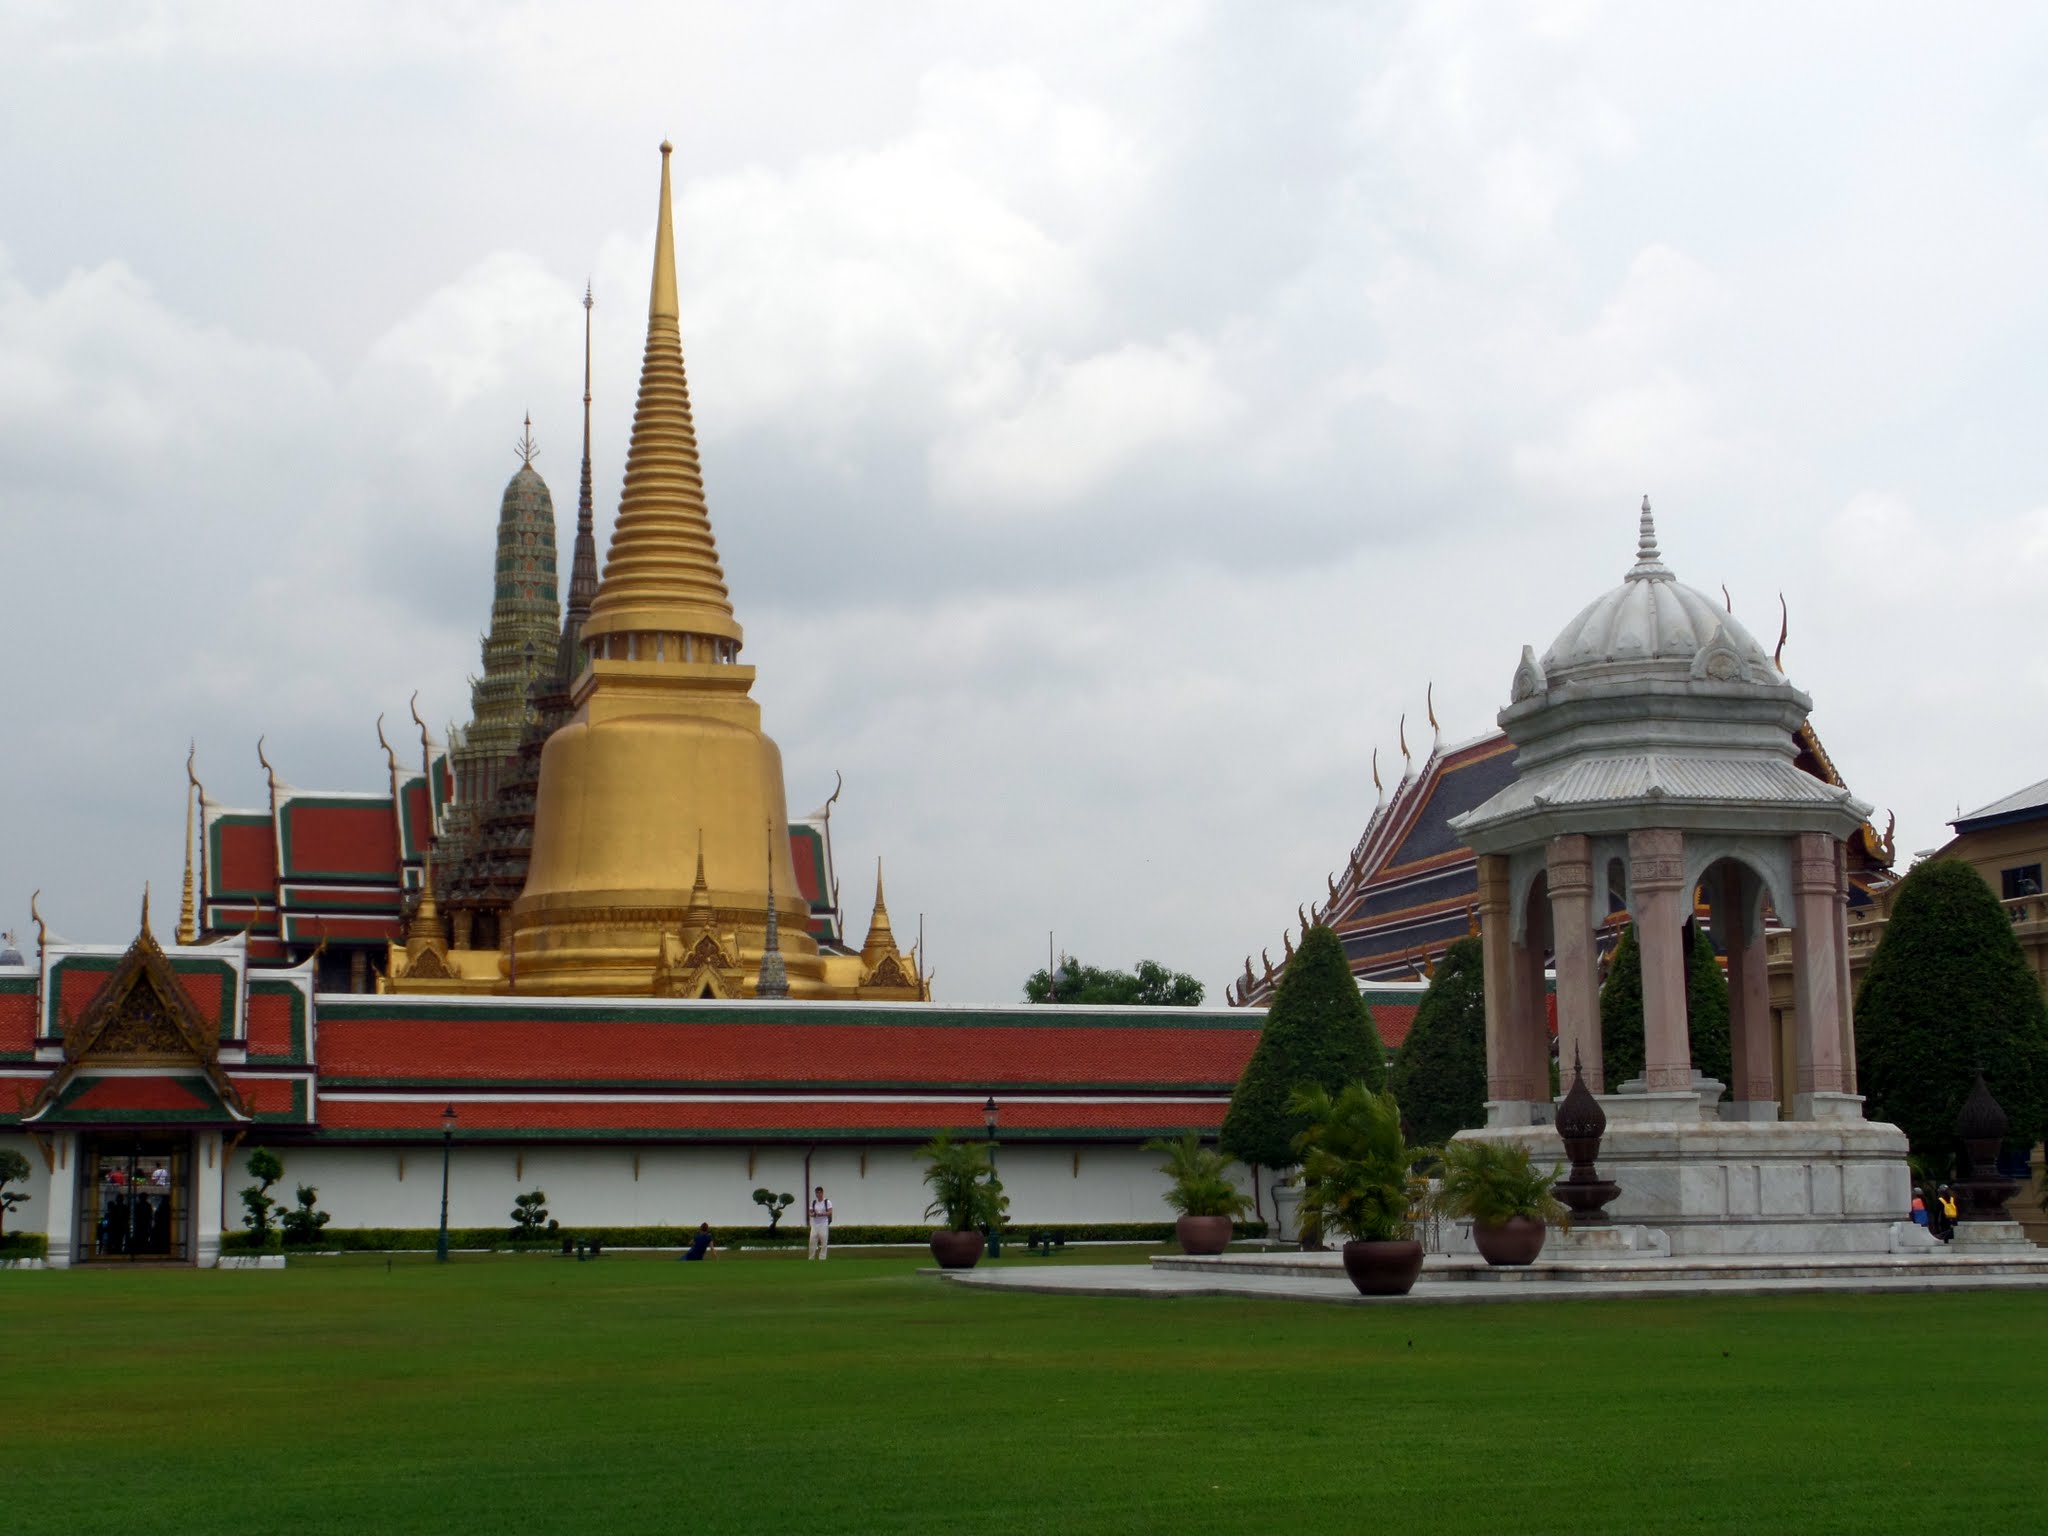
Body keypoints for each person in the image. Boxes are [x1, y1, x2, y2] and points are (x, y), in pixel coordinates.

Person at [807, 1185, 833, 1260]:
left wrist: (822, 1214)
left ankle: (822, 1258)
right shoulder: (814, 1202)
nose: (818, 1194)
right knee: (812, 1241)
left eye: (819, 1193)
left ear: (822, 1193)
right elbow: (810, 1213)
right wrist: (813, 1214)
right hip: (815, 1225)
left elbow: (830, 1212)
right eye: (817, 1193)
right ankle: (811, 1258)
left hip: (823, 1224)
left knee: (824, 1242)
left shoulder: (827, 1202)